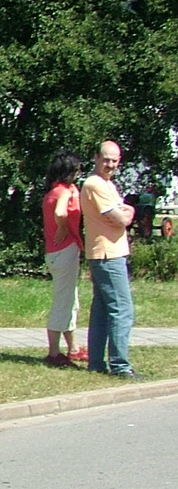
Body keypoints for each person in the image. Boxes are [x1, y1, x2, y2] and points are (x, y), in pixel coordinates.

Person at [82, 140, 137, 376]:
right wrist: (127, 213)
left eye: (114, 161)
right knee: (122, 308)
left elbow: (125, 212)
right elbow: (122, 218)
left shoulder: (107, 184)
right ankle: (120, 365)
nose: (110, 164)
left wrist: (127, 211)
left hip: (108, 252)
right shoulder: (95, 184)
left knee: (103, 309)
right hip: (107, 253)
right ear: (96, 157)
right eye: (106, 159)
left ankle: (96, 362)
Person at [41, 150, 86, 367]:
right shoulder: (64, 192)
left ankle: (73, 347)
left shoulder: (52, 191)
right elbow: (61, 212)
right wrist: (63, 227)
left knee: (70, 299)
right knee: (63, 302)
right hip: (65, 249)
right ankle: (53, 352)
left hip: (54, 252)